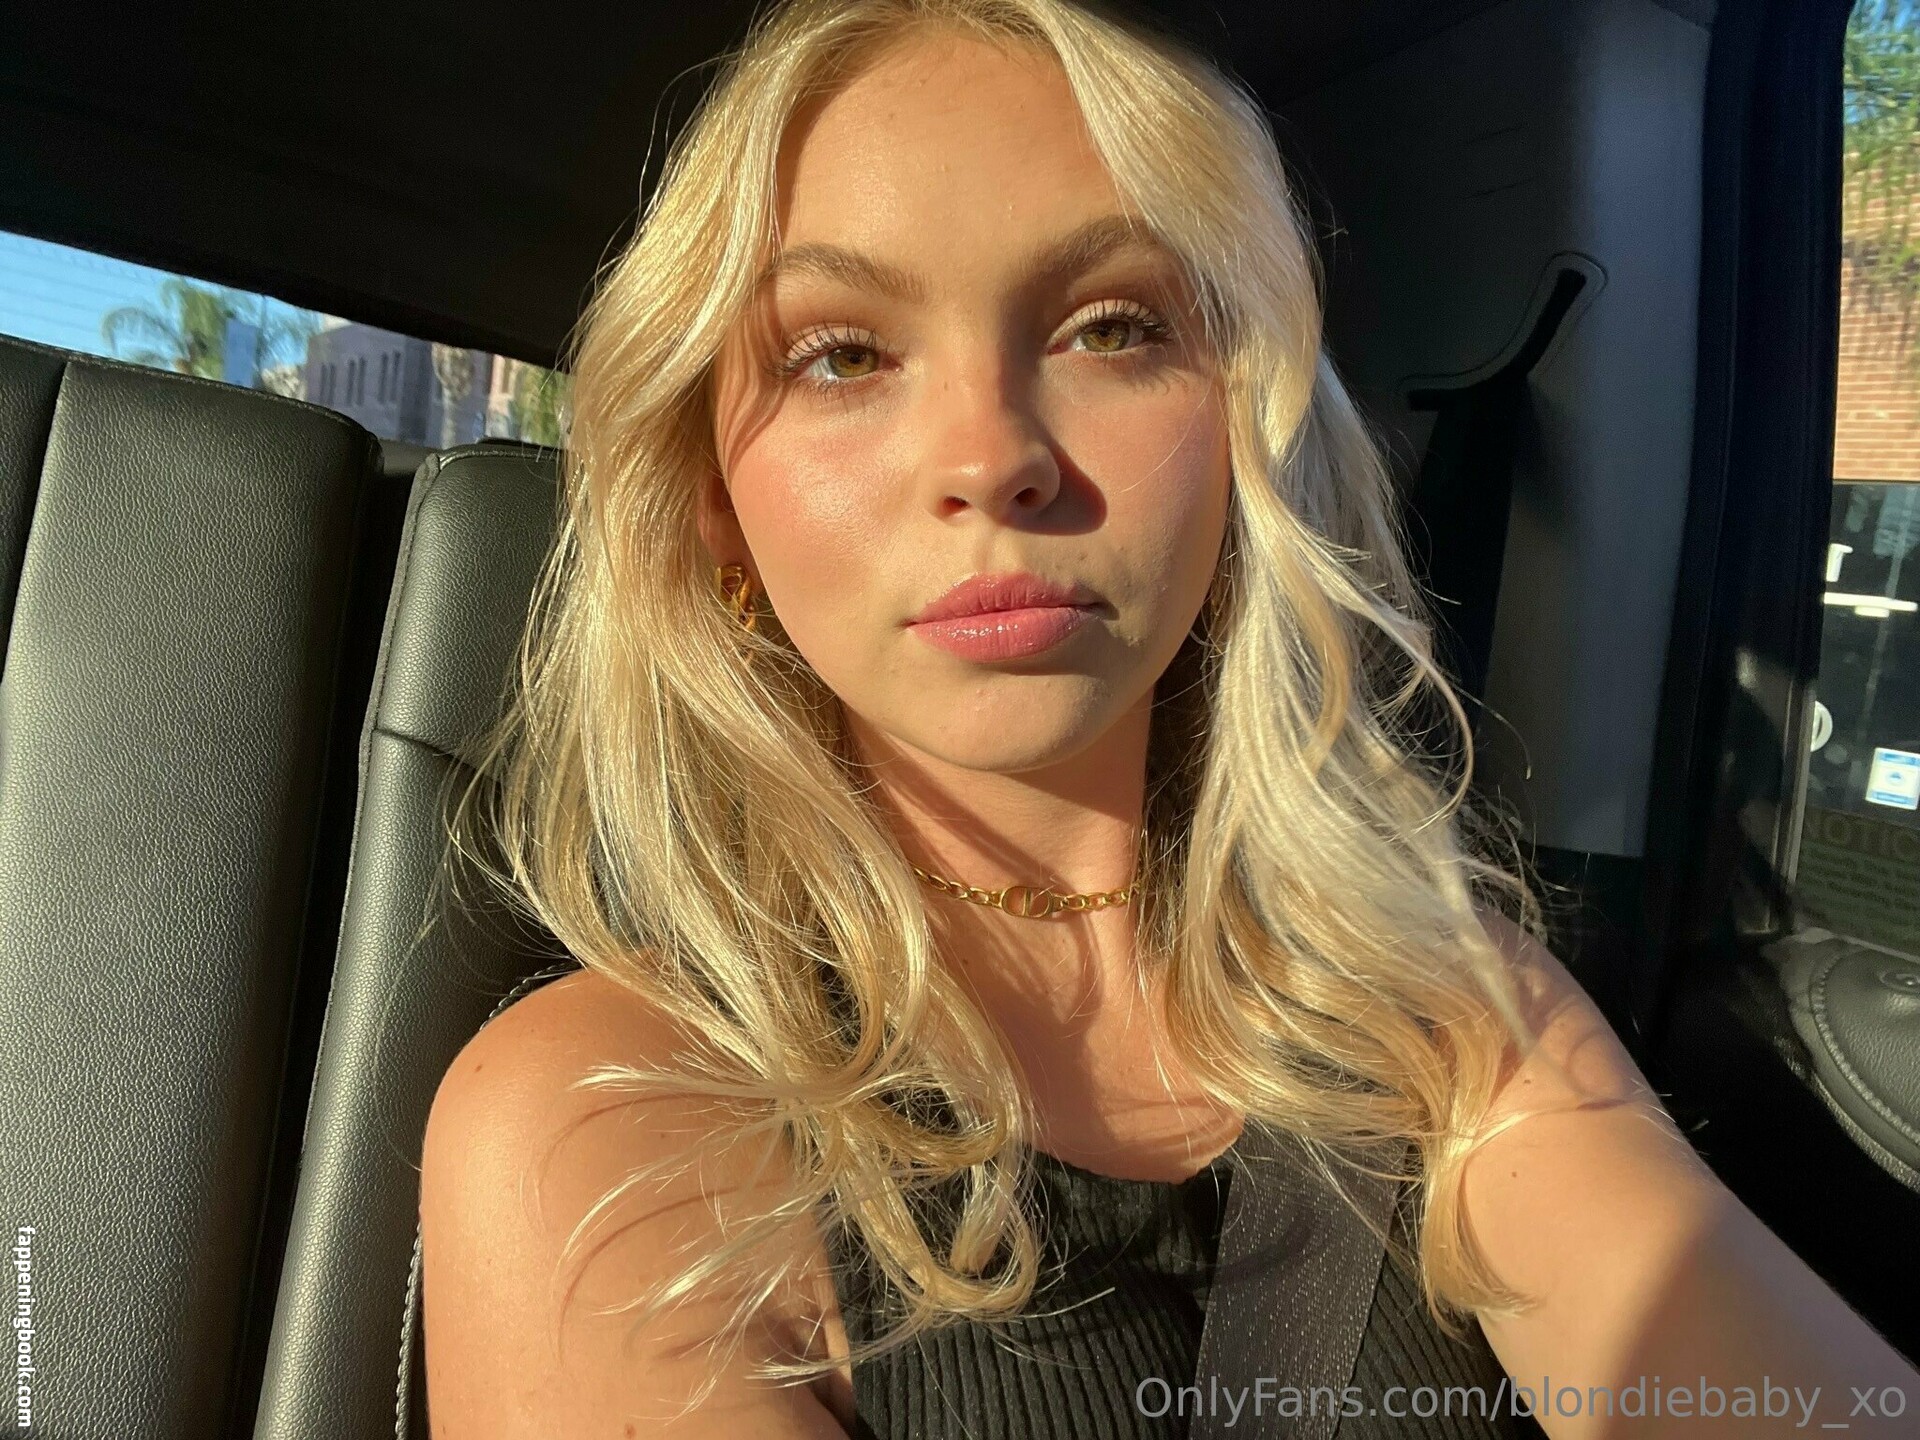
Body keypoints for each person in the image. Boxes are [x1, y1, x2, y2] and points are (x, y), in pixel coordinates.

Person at [416, 0, 1920, 1436]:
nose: (992, 456)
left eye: (1111, 327)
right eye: (842, 354)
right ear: (714, 505)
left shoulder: (1448, 1014)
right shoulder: (604, 1120)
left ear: (1247, 429)